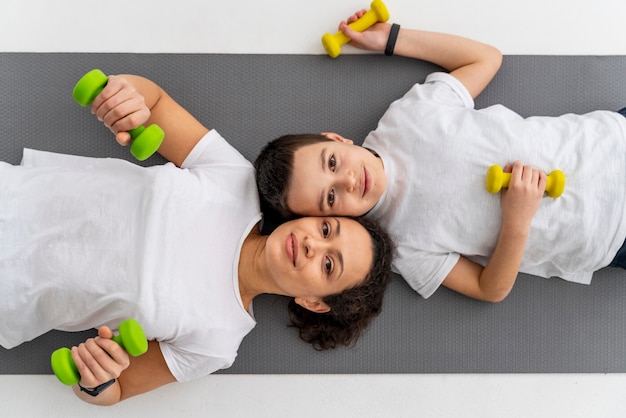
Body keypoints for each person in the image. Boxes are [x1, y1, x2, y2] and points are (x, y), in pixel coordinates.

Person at [0, 73, 394, 405]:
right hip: (12, 194)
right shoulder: (233, 179)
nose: (313, 245)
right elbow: (153, 101)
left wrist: (97, 377)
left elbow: (115, 391)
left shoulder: (217, 342)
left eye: (329, 265)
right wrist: (127, 97)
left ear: (313, 302)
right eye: (327, 230)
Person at [254, 9, 626, 303]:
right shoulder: (399, 247)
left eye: (332, 163)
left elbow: (485, 58)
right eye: (331, 197)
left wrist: (391, 38)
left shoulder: (406, 116)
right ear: (331, 219)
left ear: (335, 139)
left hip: (610, 144)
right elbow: (489, 289)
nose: (349, 180)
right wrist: (517, 220)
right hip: (606, 236)